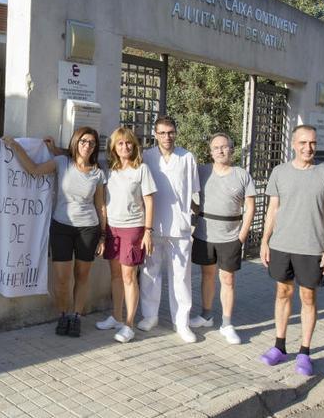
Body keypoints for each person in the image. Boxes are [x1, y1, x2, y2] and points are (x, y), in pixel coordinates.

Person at [2, 127, 106, 338]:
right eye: (84, 141)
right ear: (76, 141)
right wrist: (15, 145)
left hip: (88, 228)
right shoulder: (61, 162)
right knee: (61, 278)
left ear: (95, 147)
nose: (87, 145)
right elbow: (34, 169)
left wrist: (103, 236)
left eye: (92, 143)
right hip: (62, 227)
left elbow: (101, 206)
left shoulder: (98, 173)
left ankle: (76, 316)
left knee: (82, 275)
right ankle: (63, 314)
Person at [259, 124, 324, 376]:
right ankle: (280, 347)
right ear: (293, 144)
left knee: (308, 298)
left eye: (313, 143)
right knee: (283, 292)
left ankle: (305, 351)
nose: (308, 147)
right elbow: (272, 209)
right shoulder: (279, 172)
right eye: (303, 143)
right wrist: (264, 240)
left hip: (312, 248)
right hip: (282, 245)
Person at [137, 116, 201, 343]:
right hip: (153, 225)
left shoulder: (187, 157)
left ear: (176, 132)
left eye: (171, 132)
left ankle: (181, 322)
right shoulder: (146, 157)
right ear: (155, 134)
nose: (167, 137)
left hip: (180, 226)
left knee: (181, 277)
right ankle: (150, 315)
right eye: (162, 133)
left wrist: (192, 219)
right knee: (150, 272)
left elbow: (193, 192)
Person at [189, 132, 256, 345]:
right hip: (204, 234)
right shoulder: (201, 171)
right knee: (207, 275)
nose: (220, 150)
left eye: (224, 146)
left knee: (227, 279)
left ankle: (227, 324)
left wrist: (241, 237)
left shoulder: (242, 175)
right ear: (210, 152)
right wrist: (195, 211)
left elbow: (250, 208)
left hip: (230, 237)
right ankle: (206, 315)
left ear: (231, 149)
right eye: (216, 147)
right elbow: (184, 192)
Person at [99, 126, 156, 343]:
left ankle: (129, 324)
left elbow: (150, 201)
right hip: (112, 228)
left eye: (129, 142)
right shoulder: (110, 170)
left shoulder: (141, 169)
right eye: (120, 143)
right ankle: (116, 316)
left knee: (129, 277)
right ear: (114, 147)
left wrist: (147, 232)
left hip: (133, 229)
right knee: (114, 275)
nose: (125, 146)